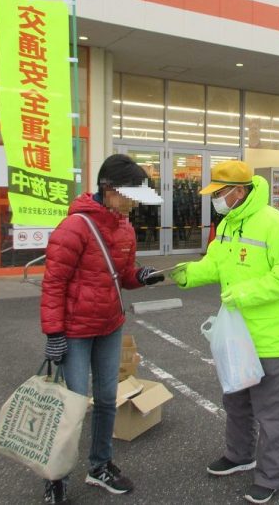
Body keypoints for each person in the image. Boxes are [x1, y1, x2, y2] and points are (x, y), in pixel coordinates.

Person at [169, 160, 279, 504]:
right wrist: (186, 274)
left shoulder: (277, 225)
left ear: (239, 191)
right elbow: (216, 263)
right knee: (236, 400)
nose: (216, 200)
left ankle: (271, 476)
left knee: (272, 411)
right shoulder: (228, 223)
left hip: (272, 337)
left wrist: (244, 294)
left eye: (220, 194)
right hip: (238, 334)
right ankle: (240, 454)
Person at [40, 154, 164, 504]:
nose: (133, 206)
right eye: (129, 197)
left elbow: (122, 276)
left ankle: (100, 466)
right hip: (74, 332)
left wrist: (140, 277)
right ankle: (56, 475)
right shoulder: (74, 227)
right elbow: (53, 283)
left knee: (107, 399)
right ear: (108, 190)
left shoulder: (124, 228)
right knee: (73, 406)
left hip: (109, 325)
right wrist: (54, 334)